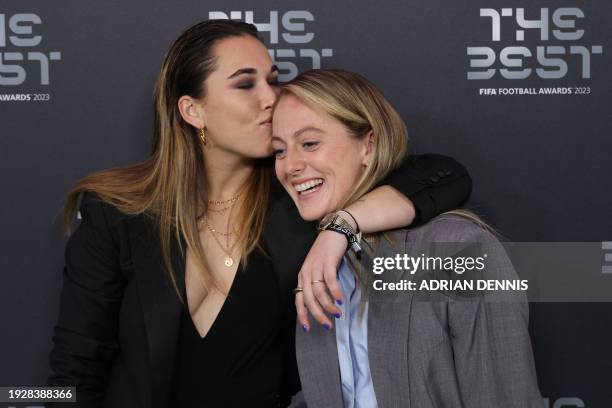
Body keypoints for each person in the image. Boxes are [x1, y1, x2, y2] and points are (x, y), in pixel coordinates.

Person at [47, 21, 471, 408]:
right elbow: (74, 371)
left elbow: (444, 175)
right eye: (245, 84)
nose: (272, 98)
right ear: (193, 111)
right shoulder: (115, 213)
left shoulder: (302, 196)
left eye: (272, 80)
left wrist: (339, 229)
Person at [272, 69, 542, 407]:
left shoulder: (458, 250)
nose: (290, 165)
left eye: (310, 143)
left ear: (367, 146)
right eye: (279, 151)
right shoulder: (310, 263)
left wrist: (340, 226)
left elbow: (506, 397)